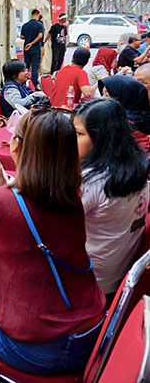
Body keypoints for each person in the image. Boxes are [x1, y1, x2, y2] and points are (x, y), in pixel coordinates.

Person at [0, 110, 105, 375]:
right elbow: (21, 209)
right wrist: (0, 179)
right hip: (91, 335)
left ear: (16, 146)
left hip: (37, 351)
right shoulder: (70, 194)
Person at [73, 98, 149, 297]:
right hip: (120, 270)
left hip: (92, 280)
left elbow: (48, 224)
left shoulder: (91, 180)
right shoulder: (137, 165)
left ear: (102, 139)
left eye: (79, 134)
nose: (70, 139)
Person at [20, 9, 46, 88]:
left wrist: (29, 39)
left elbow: (22, 36)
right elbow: (40, 36)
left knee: (26, 66)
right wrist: (32, 43)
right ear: (38, 15)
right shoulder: (39, 25)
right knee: (35, 67)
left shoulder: (25, 25)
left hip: (26, 48)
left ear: (31, 15)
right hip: (35, 48)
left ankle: (24, 83)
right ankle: (34, 85)